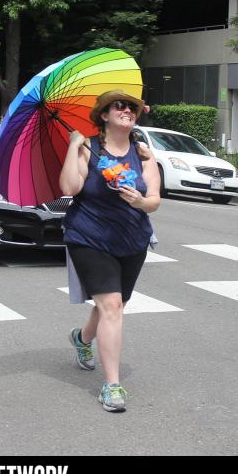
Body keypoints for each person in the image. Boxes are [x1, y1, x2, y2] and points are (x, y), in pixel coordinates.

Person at [59, 89, 161, 413]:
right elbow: (69, 188)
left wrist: (140, 201)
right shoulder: (87, 148)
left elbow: (154, 200)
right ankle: (112, 386)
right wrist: (73, 146)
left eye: (132, 107)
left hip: (132, 240)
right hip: (89, 237)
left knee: (115, 304)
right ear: (104, 115)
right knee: (112, 306)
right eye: (119, 105)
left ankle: (82, 338)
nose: (127, 110)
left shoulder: (143, 154)